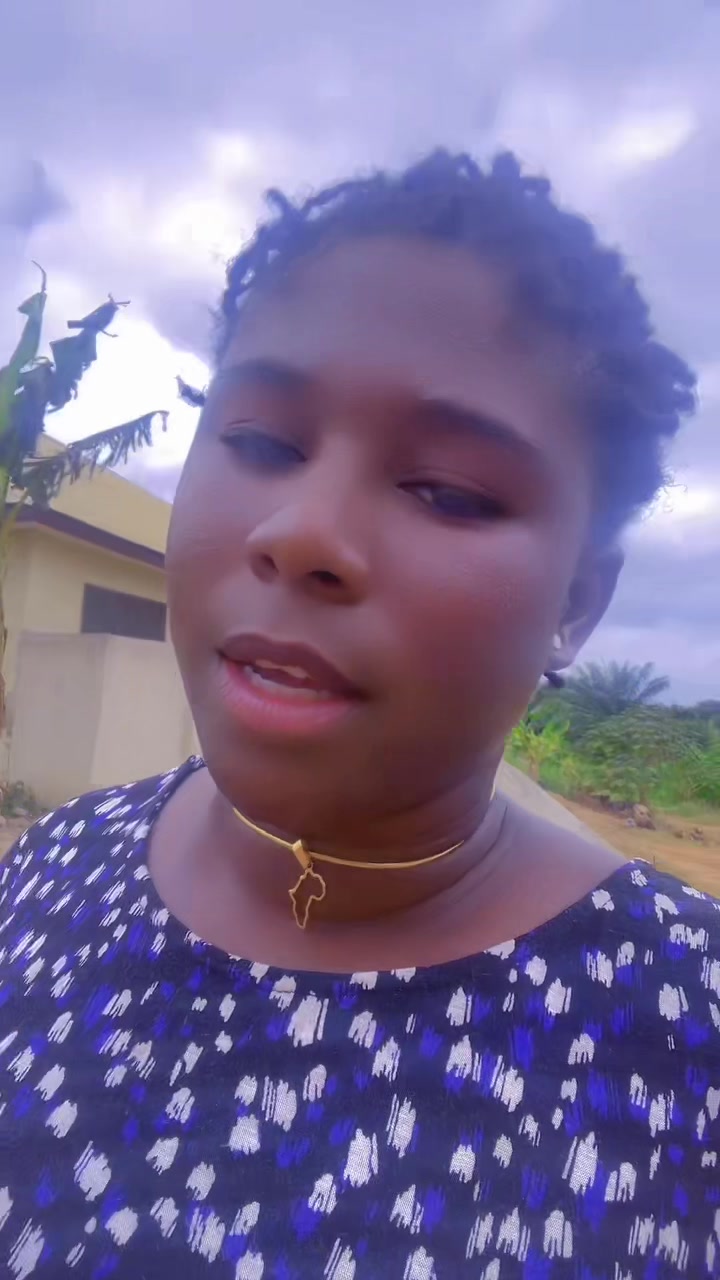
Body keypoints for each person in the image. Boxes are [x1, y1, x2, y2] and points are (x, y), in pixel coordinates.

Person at [0, 150, 716, 1279]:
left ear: (577, 602)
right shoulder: (53, 867)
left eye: (449, 491)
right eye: (262, 442)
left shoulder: (688, 1028)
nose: (302, 532)